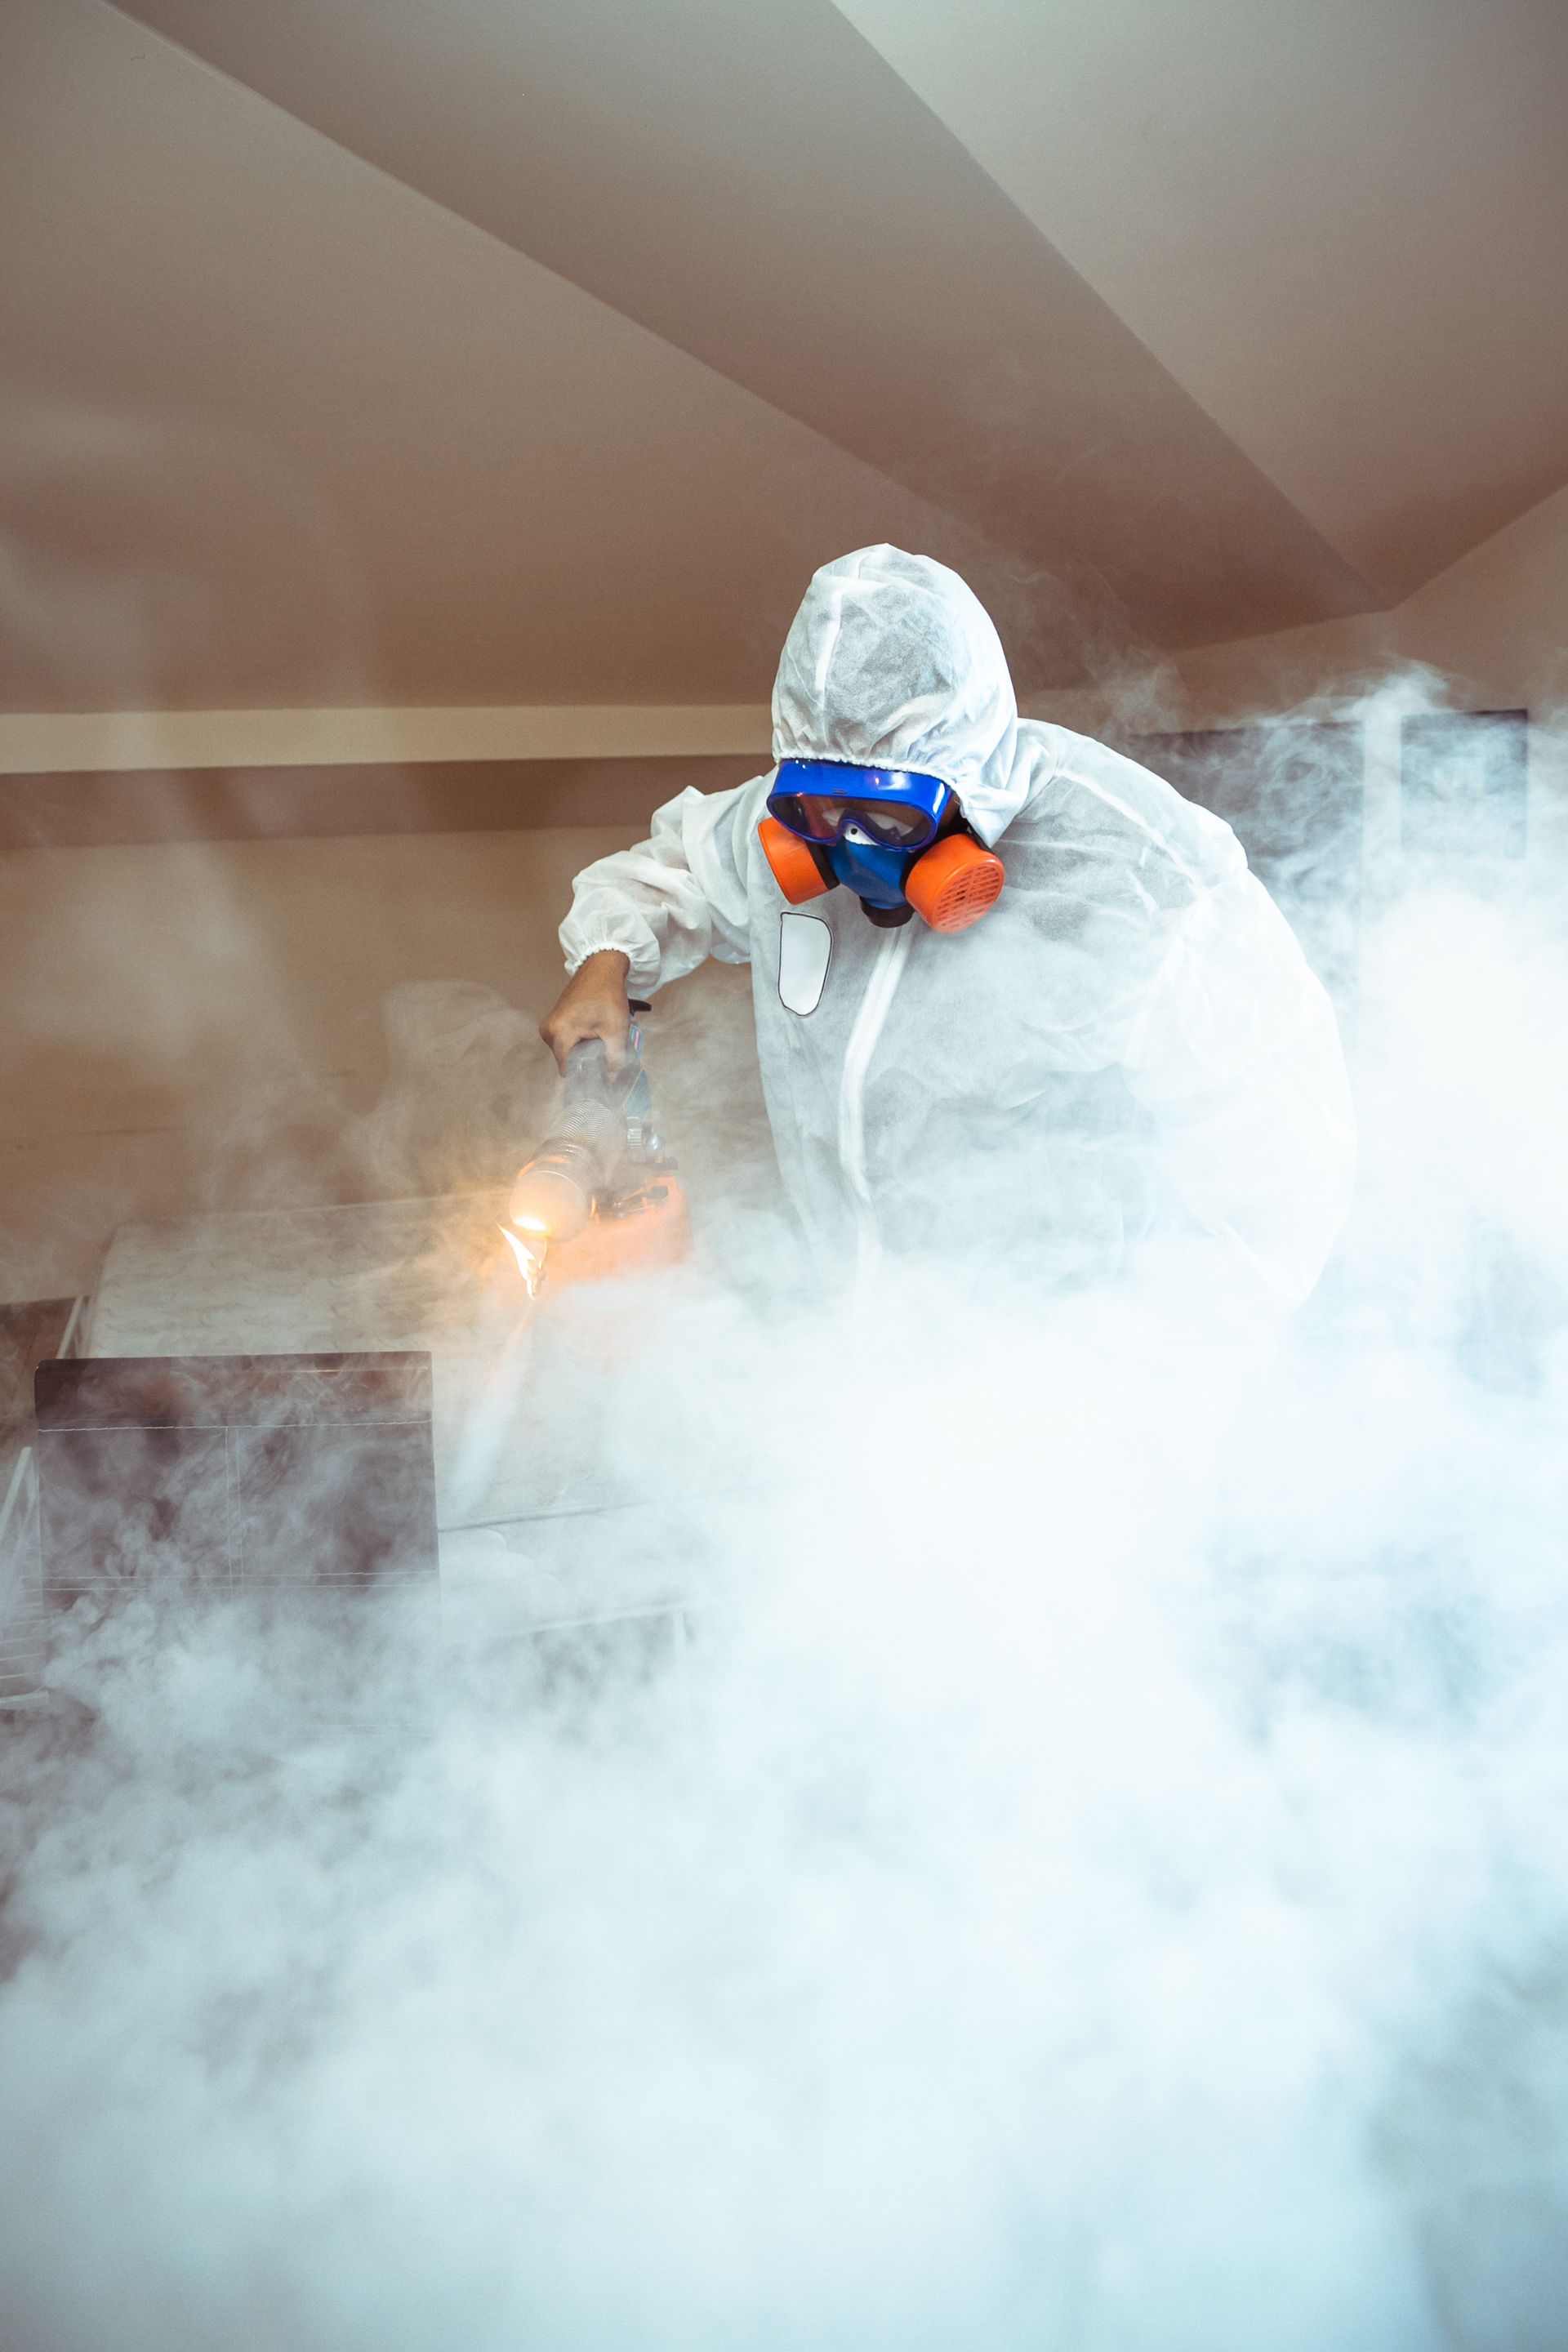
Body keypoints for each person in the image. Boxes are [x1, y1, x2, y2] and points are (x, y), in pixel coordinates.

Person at [542, 546, 1355, 1309]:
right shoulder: (791, 826)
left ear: (963, 783)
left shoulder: (1142, 878)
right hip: (856, 1322)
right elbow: (668, 873)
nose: (850, 850)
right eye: (825, 812)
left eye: (889, 821)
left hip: (1057, 1350)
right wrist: (606, 959)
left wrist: (1135, 1376)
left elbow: (1274, 1177)